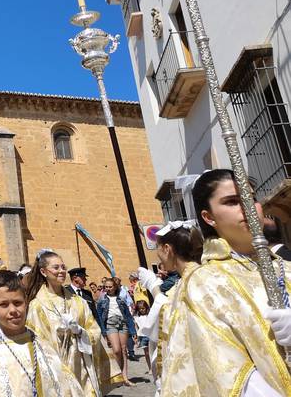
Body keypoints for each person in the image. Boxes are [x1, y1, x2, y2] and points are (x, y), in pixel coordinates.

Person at [158, 169, 291, 395]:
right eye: (232, 202)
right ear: (209, 217)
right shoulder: (205, 282)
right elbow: (226, 372)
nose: (248, 207)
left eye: (252, 199)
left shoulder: (285, 267)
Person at [0, 269, 84, 396]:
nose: (13, 310)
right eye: (3, 305)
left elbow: (68, 388)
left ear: (26, 301)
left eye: (17, 303)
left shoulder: (44, 346)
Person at [26, 249, 122, 396]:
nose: (61, 271)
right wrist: (59, 334)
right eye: (56, 267)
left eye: (63, 267)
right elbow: (36, 344)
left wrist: (81, 332)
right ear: (44, 272)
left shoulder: (79, 302)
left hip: (83, 366)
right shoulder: (37, 305)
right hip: (57, 370)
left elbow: (94, 330)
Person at [137, 219, 204, 395]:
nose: (157, 255)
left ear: (167, 249)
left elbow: (177, 321)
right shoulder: (187, 279)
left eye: (158, 249)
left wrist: (154, 289)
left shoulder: (197, 279)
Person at [96, 277, 136, 386]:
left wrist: (133, 331)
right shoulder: (101, 300)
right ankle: (117, 375)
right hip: (110, 324)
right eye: (106, 287)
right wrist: (103, 332)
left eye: (110, 286)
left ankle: (125, 378)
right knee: (116, 350)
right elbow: (99, 316)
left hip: (122, 324)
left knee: (123, 350)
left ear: (115, 287)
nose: (108, 288)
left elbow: (128, 316)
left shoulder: (121, 299)